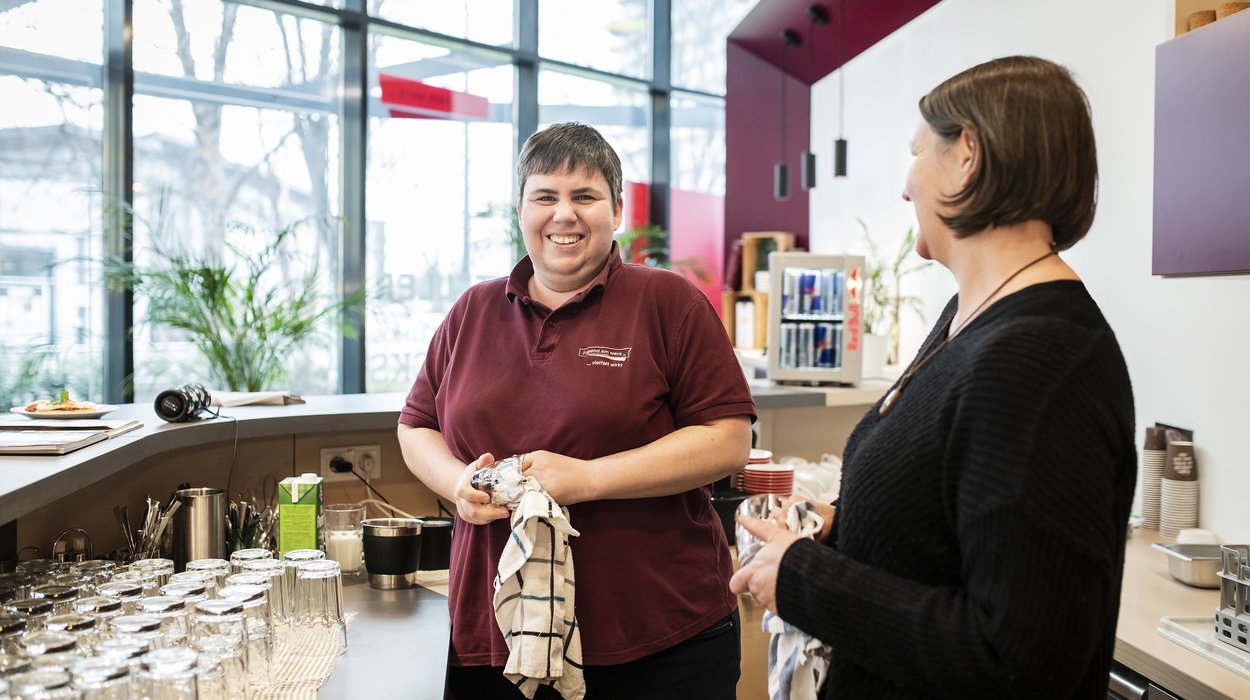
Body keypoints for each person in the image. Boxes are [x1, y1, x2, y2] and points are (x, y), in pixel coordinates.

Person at [731, 56, 1136, 698]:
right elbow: (945, 530)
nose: (904, 186)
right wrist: (841, 530)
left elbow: (1016, 661)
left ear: (967, 155)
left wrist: (805, 579)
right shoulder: (968, 317)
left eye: (915, 153)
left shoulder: (1042, 360)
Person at [398, 122, 756, 699]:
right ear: (520, 210)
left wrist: (588, 478)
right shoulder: (473, 310)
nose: (563, 214)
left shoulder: (667, 302)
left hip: (657, 639)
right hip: (497, 635)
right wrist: (457, 482)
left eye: (584, 197)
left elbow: (727, 438)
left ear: (616, 210)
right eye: (545, 196)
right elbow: (417, 425)